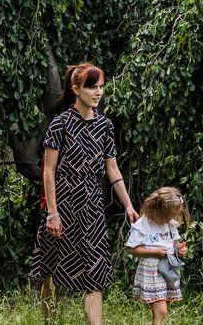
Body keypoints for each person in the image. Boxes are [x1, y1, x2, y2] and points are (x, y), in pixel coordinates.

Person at [29, 62, 139, 325]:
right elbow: (49, 171)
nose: (98, 92)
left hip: (92, 207)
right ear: (76, 89)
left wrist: (128, 205)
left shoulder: (105, 126)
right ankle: (50, 321)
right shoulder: (61, 123)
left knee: (95, 271)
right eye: (92, 87)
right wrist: (52, 213)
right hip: (63, 205)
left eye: (101, 86)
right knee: (50, 270)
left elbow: (112, 169)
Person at [125, 187, 191, 325]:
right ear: (156, 209)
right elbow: (131, 249)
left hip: (168, 268)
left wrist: (180, 249)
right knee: (161, 311)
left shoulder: (170, 223)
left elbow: (175, 243)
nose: (169, 220)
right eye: (166, 217)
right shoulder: (143, 224)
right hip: (152, 270)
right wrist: (153, 252)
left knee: (164, 309)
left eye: (171, 217)